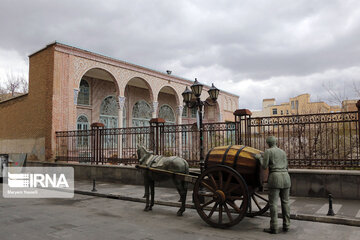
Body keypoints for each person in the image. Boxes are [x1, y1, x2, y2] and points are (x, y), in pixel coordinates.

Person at [255, 136, 291, 234]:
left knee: (273, 203)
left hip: (275, 178)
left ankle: (274, 227)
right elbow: (287, 165)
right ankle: (286, 225)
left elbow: (264, 166)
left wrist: (259, 158)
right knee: (286, 202)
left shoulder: (268, 151)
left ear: (268, 143)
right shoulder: (283, 152)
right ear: (276, 142)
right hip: (286, 178)